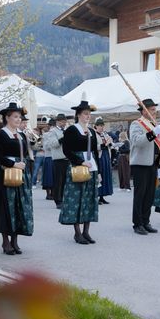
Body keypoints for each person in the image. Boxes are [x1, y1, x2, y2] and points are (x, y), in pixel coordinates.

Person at [0, 102, 34, 255]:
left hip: (20, 173)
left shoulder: (21, 135)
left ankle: (15, 240)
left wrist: (23, 164)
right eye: (15, 117)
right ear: (7, 118)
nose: (18, 119)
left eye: (19, 117)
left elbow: (26, 155)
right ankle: (5, 241)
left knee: (18, 207)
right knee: (5, 207)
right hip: (4, 174)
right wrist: (13, 164)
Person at [59, 101, 99, 244]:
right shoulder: (71, 130)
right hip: (77, 165)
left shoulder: (92, 131)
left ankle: (86, 231)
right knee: (76, 199)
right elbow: (66, 150)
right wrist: (80, 161)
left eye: (89, 114)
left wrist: (97, 169)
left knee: (89, 198)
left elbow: (94, 151)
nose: (88, 116)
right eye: (85, 114)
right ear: (78, 115)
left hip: (91, 165)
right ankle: (77, 232)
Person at [129, 99, 160, 235]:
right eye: (152, 109)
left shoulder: (153, 124)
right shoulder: (136, 124)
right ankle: (138, 223)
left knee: (150, 194)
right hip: (140, 164)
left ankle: (146, 221)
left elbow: (158, 146)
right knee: (140, 194)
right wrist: (153, 133)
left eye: (154, 109)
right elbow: (137, 141)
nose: (154, 112)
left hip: (153, 163)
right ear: (144, 111)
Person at [43, 113, 68, 209]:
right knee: (58, 181)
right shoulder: (53, 131)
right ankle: (58, 200)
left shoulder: (66, 130)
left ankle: (64, 198)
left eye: (64, 121)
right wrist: (62, 139)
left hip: (67, 158)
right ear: (57, 122)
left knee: (66, 181)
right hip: (58, 159)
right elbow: (52, 144)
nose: (63, 123)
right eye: (62, 121)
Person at [94, 117, 114, 204]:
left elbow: (112, 144)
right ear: (96, 126)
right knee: (99, 175)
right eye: (100, 126)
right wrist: (101, 146)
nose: (101, 127)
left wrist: (110, 144)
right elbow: (93, 146)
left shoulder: (105, 134)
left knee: (105, 175)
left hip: (106, 156)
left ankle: (102, 196)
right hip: (99, 157)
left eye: (102, 125)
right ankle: (97, 196)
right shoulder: (94, 135)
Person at [41, 120, 55, 200]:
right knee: (48, 176)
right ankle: (48, 193)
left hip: (55, 157)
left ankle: (53, 192)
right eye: (52, 126)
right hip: (48, 156)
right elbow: (45, 147)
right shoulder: (46, 135)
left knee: (54, 176)